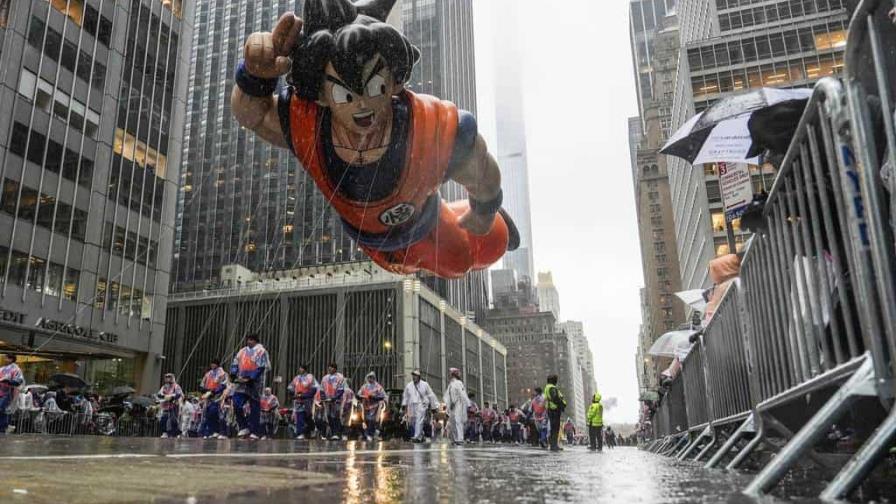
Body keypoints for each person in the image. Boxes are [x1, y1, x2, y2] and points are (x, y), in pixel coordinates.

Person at [231, 1, 521, 281]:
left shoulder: (426, 127)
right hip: (373, 243)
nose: (362, 106)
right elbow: (253, 114)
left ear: (394, 81)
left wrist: (485, 209)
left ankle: (490, 226)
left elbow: (479, 163)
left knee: (470, 253)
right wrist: (254, 75)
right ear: (321, 95)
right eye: (345, 95)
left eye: (375, 87)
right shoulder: (307, 127)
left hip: (427, 223)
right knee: (428, 262)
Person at [230, 333, 270, 439]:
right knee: (236, 402)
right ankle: (243, 426)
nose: (249, 342)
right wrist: (233, 372)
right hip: (241, 382)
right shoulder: (242, 351)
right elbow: (235, 362)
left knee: (254, 408)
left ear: (256, 341)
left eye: (251, 340)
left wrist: (252, 377)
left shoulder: (262, 351)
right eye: (248, 340)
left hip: (255, 383)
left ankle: (255, 431)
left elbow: (262, 367)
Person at [401, 369, 438, 442]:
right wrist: (404, 405)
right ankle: (421, 435)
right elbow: (405, 396)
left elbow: (431, 395)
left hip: (421, 404)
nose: (414, 377)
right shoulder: (409, 385)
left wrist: (434, 406)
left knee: (419, 420)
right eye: (413, 375)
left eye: (416, 376)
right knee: (413, 421)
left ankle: (417, 436)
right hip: (412, 405)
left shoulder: (425, 384)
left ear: (419, 377)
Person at [200, 359, 229, 439]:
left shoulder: (222, 373)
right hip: (209, 397)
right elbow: (202, 385)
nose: (212, 365)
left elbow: (223, 385)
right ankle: (214, 431)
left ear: (217, 364)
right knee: (209, 415)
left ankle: (223, 433)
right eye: (212, 363)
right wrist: (206, 391)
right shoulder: (208, 374)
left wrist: (214, 391)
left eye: (214, 363)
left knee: (220, 415)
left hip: (219, 397)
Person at [287, 364, 317, 439]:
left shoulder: (310, 377)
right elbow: (290, 386)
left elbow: (314, 388)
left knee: (308, 417)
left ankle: (313, 429)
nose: (300, 370)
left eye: (301, 368)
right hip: (298, 400)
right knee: (299, 416)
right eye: (299, 368)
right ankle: (300, 433)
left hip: (307, 400)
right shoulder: (296, 378)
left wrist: (305, 395)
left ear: (305, 369)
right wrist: (291, 392)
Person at [443, 368, 469, 446]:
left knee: (458, 421)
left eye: (450, 373)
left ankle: (460, 438)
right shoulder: (450, 384)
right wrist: (448, 404)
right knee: (452, 422)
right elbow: (447, 396)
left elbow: (462, 394)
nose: (449, 375)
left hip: (458, 405)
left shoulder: (459, 383)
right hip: (451, 406)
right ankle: (455, 438)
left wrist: (468, 403)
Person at [320, 363, 346, 440]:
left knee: (336, 416)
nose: (330, 369)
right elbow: (322, 389)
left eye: (331, 368)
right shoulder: (325, 378)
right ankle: (333, 432)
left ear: (335, 369)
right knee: (328, 416)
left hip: (337, 401)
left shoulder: (340, 377)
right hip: (327, 401)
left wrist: (334, 398)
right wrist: (323, 397)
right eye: (329, 367)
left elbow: (341, 390)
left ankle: (336, 433)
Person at [358, 372, 386, 441]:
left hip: (375, 407)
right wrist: (363, 397)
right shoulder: (364, 386)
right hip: (366, 406)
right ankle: (366, 434)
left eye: (372, 377)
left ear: (374, 378)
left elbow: (383, 396)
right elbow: (358, 394)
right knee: (366, 421)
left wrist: (374, 397)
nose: (370, 379)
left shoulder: (378, 387)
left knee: (373, 421)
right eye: (369, 377)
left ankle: (372, 434)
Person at [0, 354, 24, 434]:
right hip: (1, 391)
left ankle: (4, 426)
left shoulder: (16, 369)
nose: (4, 359)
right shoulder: (2, 368)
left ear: (11, 359)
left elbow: (19, 381)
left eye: (6, 358)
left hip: (8, 392)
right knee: (2, 410)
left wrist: (8, 381)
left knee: (1, 408)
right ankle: (4, 426)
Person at [544, 374, 567, 452]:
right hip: (554, 409)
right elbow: (555, 398)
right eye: (556, 380)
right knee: (555, 428)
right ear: (554, 380)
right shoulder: (552, 388)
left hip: (551, 409)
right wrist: (562, 404)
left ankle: (553, 445)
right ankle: (554, 446)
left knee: (553, 428)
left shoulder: (548, 387)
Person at [157, 373, 183, 438]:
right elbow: (159, 394)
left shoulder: (176, 386)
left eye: (169, 377)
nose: (168, 378)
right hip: (165, 406)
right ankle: (164, 432)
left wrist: (173, 396)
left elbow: (179, 394)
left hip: (174, 406)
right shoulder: (164, 387)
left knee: (173, 420)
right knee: (163, 419)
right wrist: (164, 396)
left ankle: (175, 433)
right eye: (167, 377)